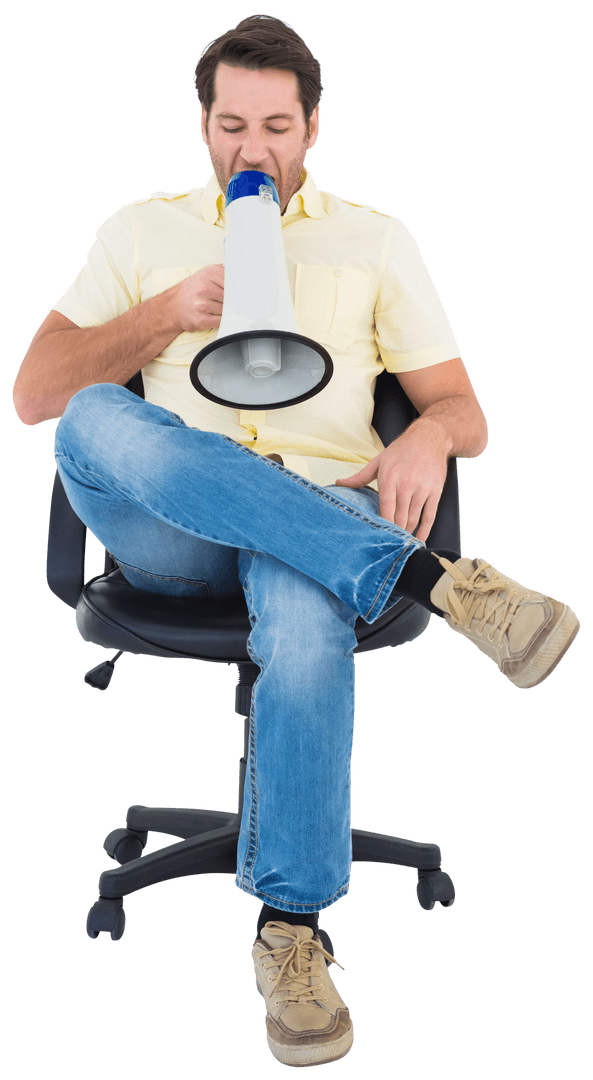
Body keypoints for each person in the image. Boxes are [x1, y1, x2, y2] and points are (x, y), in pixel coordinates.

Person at [12, 14, 579, 1070]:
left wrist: (427, 443)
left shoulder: (373, 239)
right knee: (93, 415)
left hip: (318, 511)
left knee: (306, 624)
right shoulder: (143, 230)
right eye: (231, 125)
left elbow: (462, 410)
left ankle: (293, 933)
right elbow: (38, 395)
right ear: (204, 126)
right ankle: (432, 582)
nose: (252, 148)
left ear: (311, 127)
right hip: (174, 530)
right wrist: (166, 313)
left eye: (275, 126)